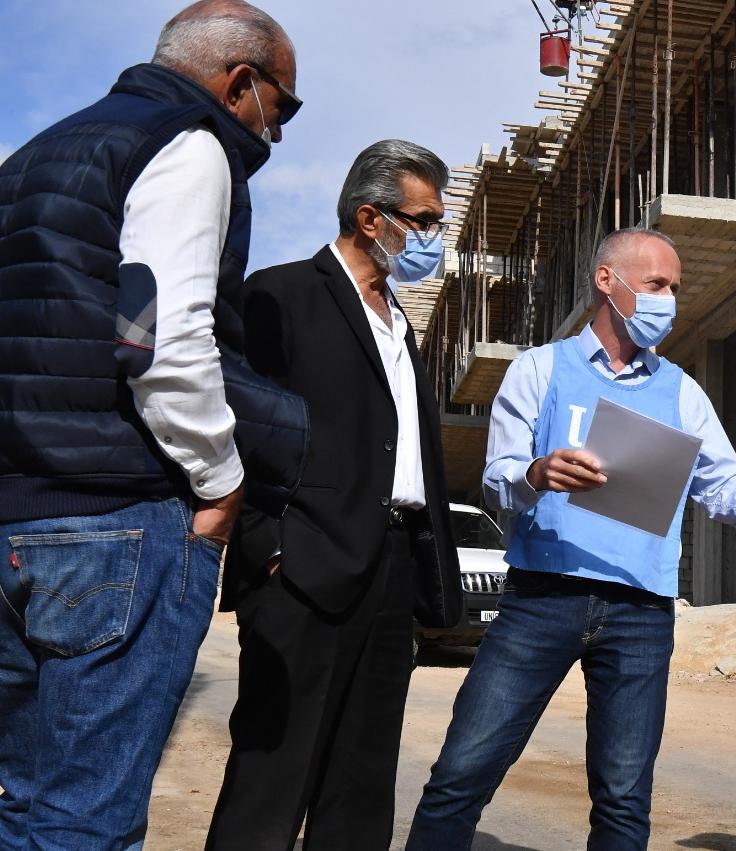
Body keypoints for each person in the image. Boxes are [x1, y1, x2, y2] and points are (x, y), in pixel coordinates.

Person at [406, 227, 736, 850]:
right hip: (541, 599)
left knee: (623, 798)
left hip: (641, 612)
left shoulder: (681, 391)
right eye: (656, 284)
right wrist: (536, 473)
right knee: (462, 772)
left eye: (675, 288)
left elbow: (723, 488)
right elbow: (497, 480)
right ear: (606, 282)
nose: (669, 301)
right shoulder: (539, 370)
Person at [0, 2, 306, 847]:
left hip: (14, 516)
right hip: (115, 521)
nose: (277, 131)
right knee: (85, 820)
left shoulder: (36, 154)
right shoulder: (185, 144)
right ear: (239, 83)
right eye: (282, 105)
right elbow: (158, 338)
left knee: (21, 802)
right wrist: (222, 485)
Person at [205, 139, 464, 851]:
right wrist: (269, 546)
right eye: (423, 220)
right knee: (272, 779)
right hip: (304, 569)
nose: (433, 238)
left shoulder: (399, 321)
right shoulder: (282, 294)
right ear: (370, 217)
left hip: (391, 568)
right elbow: (237, 424)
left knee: (361, 783)